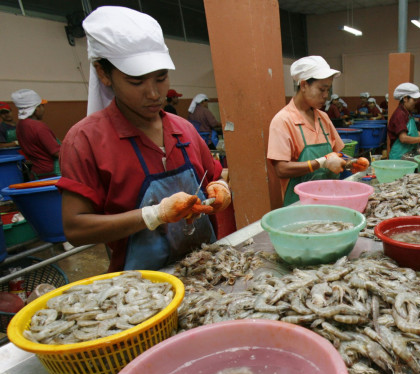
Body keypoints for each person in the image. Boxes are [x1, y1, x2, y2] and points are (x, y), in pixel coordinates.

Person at [56, 6, 231, 272]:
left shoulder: (183, 129)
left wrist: (221, 188)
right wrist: (153, 215)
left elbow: (217, 176)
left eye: (161, 78)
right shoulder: (85, 140)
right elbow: (76, 228)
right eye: (136, 82)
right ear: (103, 74)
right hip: (142, 285)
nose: (153, 94)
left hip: (205, 268)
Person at [267, 56, 367, 206]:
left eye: (328, 90)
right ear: (303, 85)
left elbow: (337, 154)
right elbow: (281, 169)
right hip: (301, 205)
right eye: (321, 89)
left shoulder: (323, 118)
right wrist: (321, 163)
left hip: (331, 199)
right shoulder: (283, 121)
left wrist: (349, 163)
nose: (326, 96)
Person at [11, 89, 61, 178]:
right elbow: (57, 152)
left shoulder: (20, 125)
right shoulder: (39, 126)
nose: (43, 109)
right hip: (51, 173)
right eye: (42, 106)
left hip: (35, 173)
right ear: (36, 108)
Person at [387, 82, 420, 160]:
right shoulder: (400, 114)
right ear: (405, 98)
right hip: (399, 157)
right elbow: (403, 138)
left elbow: (412, 131)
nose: (416, 103)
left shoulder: (407, 112)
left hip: (407, 153)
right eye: (414, 100)